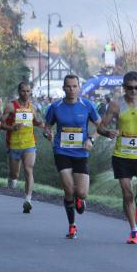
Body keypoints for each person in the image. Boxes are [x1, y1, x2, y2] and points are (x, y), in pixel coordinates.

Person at [97, 71, 137, 244]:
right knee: (127, 195)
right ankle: (134, 230)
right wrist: (108, 132)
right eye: (130, 88)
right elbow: (101, 127)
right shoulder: (116, 105)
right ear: (124, 87)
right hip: (122, 155)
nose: (133, 91)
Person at [45, 75, 101, 239]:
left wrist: (91, 139)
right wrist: (47, 133)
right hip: (61, 151)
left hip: (81, 152)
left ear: (79, 88)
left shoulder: (87, 105)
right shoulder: (55, 107)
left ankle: (80, 199)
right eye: (68, 86)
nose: (71, 89)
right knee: (69, 189)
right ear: (63, 88)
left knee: (81, 193)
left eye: (75, 86)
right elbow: (48, 126)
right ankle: (72, 226)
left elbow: (101, 126)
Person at [1, 82, 46, 213]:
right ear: (19, 92)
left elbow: (36, 121)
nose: (26, 94)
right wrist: (11, 127)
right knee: (14, 174)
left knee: (28, 169)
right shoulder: (11, 106)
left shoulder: (32, 107)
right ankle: (12, 178)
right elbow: (0, 123)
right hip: (14, 144)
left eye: (28, 91)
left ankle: (28, 200)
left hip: (29, 144)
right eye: (23, 91)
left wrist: (43, 125)